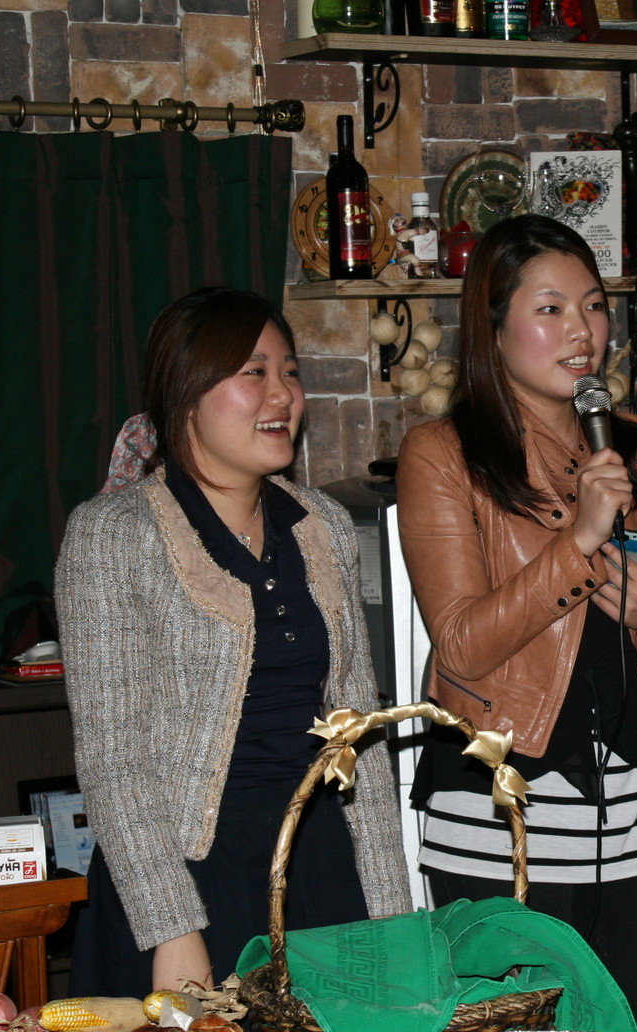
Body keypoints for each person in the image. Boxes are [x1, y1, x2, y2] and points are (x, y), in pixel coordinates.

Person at [396, 215, 637, 1032]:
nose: (582, 331)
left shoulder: (635, 443)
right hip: (506, 805)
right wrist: (580, 540)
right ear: (493, 329)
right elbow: (460, 644)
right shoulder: (444, 453)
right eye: (551, 308)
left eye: (594, 306)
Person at [55, 287, 411, 994]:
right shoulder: (113, 535)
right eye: (254, 372)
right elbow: (114, 761)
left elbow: (359, 737)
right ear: (186, 393)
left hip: (318, 867)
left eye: (290, 372)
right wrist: (173, 929)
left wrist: (393, 915)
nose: (283, 395)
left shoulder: (322, 524)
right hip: (187, 880)